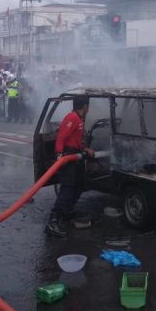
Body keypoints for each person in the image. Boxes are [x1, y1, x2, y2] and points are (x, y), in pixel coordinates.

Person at [45, 95, 95, 237]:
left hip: (76, 156)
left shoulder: (80, 119)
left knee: (80, 185)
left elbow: (77, 140)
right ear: (85, 107)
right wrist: (60, 157)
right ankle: (53, 221)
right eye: (88, 107)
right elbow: (61, 138)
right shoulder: (72, 117)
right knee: (67, 188)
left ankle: (67, 210)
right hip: (68, 157)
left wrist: (85, 149)